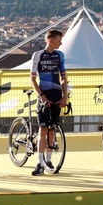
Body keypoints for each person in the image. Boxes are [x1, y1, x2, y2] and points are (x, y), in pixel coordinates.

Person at [28, 29, 68, 176]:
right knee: (43, 129)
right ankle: (39, 163)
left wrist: (65, 97)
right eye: (59, 40)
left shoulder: (60, 55)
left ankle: (49, 160)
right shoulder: (38, 55)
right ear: (50, 41)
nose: (61, 43)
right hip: (43, 94)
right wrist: (41, 96)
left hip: (57, 93)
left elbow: (64, 78)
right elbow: (32, 79)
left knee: (53, 128)